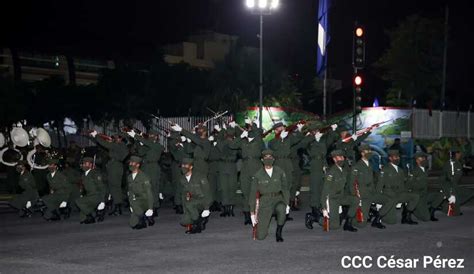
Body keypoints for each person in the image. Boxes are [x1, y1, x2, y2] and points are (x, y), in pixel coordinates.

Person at [301, 121, 339, 229]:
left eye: (317, 129)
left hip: (324, 166)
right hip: (315, 167)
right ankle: (312, 215)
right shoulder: (308, 140)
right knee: (315, 190)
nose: (316, 131)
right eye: (314, 130)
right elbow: (302, 145)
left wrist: (332, 130)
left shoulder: (323, 140)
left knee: (324, 190)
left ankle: (322, 211)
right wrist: (313, 138)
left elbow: (331, 140)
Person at [348, 144, 394, 229]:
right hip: (363, 195)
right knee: (361, 224)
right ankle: (350, 220)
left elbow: (373, 180)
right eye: (367, 151)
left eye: (370, 151)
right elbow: (352, 183)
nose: (369, 152)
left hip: (372, 192)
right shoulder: (357, 166)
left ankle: (377, 219)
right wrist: (356, 197)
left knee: (389, 200)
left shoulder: (370, 164)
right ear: (362, 153)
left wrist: (377, 191)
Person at [249, 150, 289, 242]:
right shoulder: (257, 175)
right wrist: (252, 212)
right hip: (265, 202)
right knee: (260, 236)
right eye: (266, 158)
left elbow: (285, 189)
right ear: (262, 160)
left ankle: (278, 232)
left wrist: (287, 203)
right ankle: (263, 226)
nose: (268, 160)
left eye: (270, 157)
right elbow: (252, 193)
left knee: (282, 208)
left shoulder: (280, 172)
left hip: (278, 199)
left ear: (273, 159)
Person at [268, 121, 304, 221]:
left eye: (283, 128)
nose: (282, 129)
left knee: (287, 188)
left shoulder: (288, 139)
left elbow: (298, 139)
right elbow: (274, 146)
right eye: (279, 128)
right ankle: (275, 211)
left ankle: (285, 212)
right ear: (275, 131)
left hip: (287, 164)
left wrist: (299, 130)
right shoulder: (273, 141)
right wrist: (280, 138)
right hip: (278, 164)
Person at [90, 131, 128, 216]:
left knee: (114, 187)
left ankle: (117, 207)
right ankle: (117, 206)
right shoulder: (121, 145)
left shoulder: (118, 145)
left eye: (116, 137)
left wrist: (96, 136)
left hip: (115, 167)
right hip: (115, 166)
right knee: (115, 187)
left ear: (120, 138)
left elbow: (105, 144)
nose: (114, 139)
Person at [376, 150, 419, 225]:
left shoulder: (400, 170)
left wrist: (410, 180)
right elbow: (380, 184)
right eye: (395, 157)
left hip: (400, 193)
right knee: (391, 221)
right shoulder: (385, 169)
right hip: (390, 194)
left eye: (398, 157)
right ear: (390, 158)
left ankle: (406, 217)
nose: (397, 158)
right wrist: (377, 197)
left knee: (415, 196)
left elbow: (403, 184)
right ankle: (378, 217)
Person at [127, 129, 164, 216]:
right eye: (149, 135)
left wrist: (137, 136)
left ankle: (154, 207)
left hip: (153, 167)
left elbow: (150, 144)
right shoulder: (147, 145)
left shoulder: (158, 146)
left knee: (153, 187)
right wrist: (138, 142)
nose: (150, 137)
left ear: (156, 137)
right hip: (145, 167)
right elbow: (140, 152)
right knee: (144, 188)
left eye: (152, 135)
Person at [320, 150, 359, 232]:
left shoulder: (344, 170)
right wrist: (324, 207)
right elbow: (325, 190)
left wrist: (355, 193)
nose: (341, 159)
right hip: (333, 199)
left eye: (342, 157)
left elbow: (347, 185)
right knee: (334, 226)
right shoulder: (331, 172)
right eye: (339, 157)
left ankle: (348, 223)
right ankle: (315, 218)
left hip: (341, 196)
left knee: (355, 200)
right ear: (334, 159)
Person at [406, 152, 444, 221]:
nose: (424, 160)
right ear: (417, 160)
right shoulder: (414, 171)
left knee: (441, 194)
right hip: (418, 197)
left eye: (424, 158)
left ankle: (431, 211)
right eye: (422, 158)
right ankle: (413, 209)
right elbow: (408, 185)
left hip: (425, 195)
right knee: (426, 218)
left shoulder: (425, 170)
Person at [179, 158, 211, 234]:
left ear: (191, 167)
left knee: (190, 204)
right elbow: (184, 195)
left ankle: (197, 224)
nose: (183, 167)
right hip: (192, 202)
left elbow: (207, 193)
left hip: (202, 200)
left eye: (186, 165)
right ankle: (199, 220)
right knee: (184, 221)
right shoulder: (182, 179)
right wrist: (185, 211)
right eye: (182, 165)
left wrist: (207, 208)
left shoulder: (200, 176)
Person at [440, 147, 474, 215]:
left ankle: (448, 204)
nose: (460, 154)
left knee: (468, 192)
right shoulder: (452, 163)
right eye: (459, 153)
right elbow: (449, 177)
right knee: (454, 210)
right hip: (450, 185)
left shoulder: (456, 162)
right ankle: (447, 206)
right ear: (456, 154)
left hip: (453, 184)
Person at [127, 156, 154, 230]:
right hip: (137, 201)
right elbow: (130, 192)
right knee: (132, 223)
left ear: (138, 165)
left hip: (145, 200)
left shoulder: (144, 177)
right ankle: (143, 216)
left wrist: (150, 208)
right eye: (130, 162)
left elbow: (149, 193)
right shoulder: (129, 177)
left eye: (133, 163)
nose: (131, 164)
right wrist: (131, 205)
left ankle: (146, 218)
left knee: (138, 218)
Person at [76, 157, 106, 224]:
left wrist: (102, 201)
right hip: (89, 195)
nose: (84, 165)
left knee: (78, 201)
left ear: (90, 165)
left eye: (86, 164)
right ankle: (90, 214)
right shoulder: (83, 175)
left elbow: (102, 187)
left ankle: (90, 216)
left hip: (96, 195)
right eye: (83, 164)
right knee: (82, 218)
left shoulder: (95, 174)